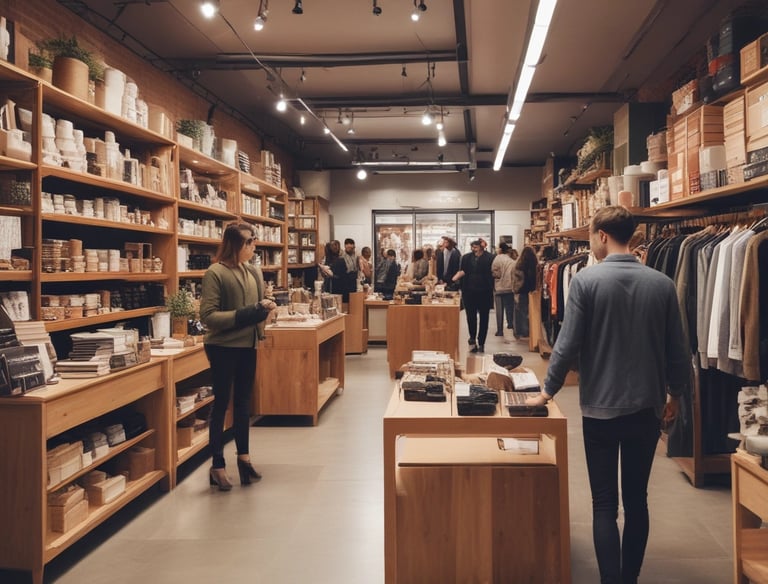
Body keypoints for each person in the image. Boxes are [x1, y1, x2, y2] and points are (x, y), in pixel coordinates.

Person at [526, 206, 690, 584]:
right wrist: (676, 395)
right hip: (646, 407)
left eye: (590, 236)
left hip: (599, 408)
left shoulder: (587, 282)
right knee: (637, 500)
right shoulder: (661, 283)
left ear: (601, 236)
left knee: (604, 503)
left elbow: (566, 346)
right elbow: (677, 349)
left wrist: (547, 391)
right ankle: (629, 579)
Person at [199, 222, 277, 491]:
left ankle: (244, 459)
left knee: (244, 403)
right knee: (221, 404)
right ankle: (217, 465)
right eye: (249, 242)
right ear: (235, 244)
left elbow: (259, 303)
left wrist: (267, 308)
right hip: (222, 347)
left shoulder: (253, 271)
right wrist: (248, 313)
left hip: (248, 345)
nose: (254, 246)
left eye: (254, 241)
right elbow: (208, 316)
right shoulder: (215, 273)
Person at [453, 239, 494, 353]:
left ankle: (481, 342)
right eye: (472, 247)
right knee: (470, 317)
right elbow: (462, 271)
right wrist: (457, 282)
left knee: (484, 318)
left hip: (484, 291)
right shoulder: (466, 258)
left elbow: (492, 273)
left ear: (481, 247)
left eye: (475, 247)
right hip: (469, 292)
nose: (473, 249)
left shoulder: (490, 257)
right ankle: (472, 339)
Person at [513, 245, 538, 339]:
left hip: (521, 290)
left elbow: (515, 279)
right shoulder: (535, 265)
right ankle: (529, 331)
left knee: (520, 311)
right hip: (532, 291)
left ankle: (520, 331)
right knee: (530, 312)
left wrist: (515, 289)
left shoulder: (519, 265)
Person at [491, 242, 516, 336]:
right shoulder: (511, 260)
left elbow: (495, 273)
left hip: (500, 288)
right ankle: (511, 325)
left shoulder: (497, 258)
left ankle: (500, 330)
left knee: (499, 310)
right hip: (510, 287)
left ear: (500, 249)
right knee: (510, 307)